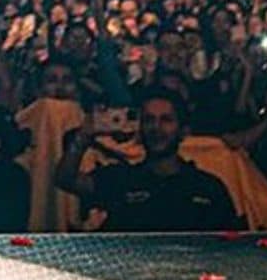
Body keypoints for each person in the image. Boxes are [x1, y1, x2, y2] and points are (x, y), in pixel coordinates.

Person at [57, 88, 242, 231]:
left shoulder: (208, 186)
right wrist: (83, 136)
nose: (156, 127)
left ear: (183, 131)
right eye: (149, 120)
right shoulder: (121, 178)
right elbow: (66, 179)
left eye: (166, 120)